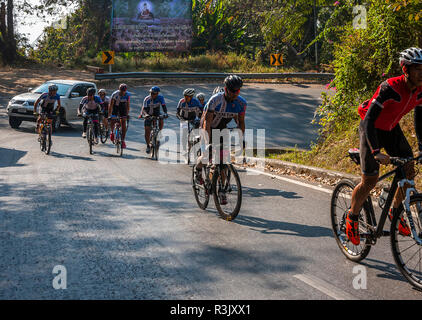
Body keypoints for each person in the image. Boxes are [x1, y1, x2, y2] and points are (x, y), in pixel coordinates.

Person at [346, 47, 422, 245]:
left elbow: (420, 120)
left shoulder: (421, 89)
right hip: (371, 128)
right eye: (417, 69)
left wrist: (421, 147)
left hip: (391, 128)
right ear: (406, 70)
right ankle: (352, 217)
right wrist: (376, 152)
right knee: (370, 180)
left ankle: (394, 211)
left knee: (408, 169)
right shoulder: (390, 87)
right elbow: (370, 120)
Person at [194, 75, 247, 204]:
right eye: (232, 91)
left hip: (222, 128)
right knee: (207, 154)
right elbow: (207, 122)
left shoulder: (241, 103)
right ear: (226, 89)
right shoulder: (215, 100)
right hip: (208, 127)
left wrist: (241, 139)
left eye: (237, 91)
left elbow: (240, 122)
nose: (235, 94)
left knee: (223, 160)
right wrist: (207, 143)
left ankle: (221, 190)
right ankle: (198, 169)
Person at [139, 86, 168, 154]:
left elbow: (164, 106)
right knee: (147, 130)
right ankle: (148, 145)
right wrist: (146, 115)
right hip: (148, 114)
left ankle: (160, 132)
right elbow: (144, 109)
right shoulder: (147, 99)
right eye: (151, 93)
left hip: (157, 113)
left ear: (157, 93)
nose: (152, 95)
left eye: (153, 93)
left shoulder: (161, 98)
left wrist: (165, 113)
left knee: (161, 118)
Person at [109, 83, 130, 149]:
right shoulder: (115, 94)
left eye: (124, 91)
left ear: (126, 90)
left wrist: (127, 114)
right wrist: (109, 115)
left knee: (124, 124)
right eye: (121, 90)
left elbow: (128, 105)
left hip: (123, 107)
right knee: (113, 119)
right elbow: (111, 105)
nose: (123, 92)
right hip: (115, 107)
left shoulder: (127, 95)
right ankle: (112, 132)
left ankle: (123, 140)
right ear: (119, 89)